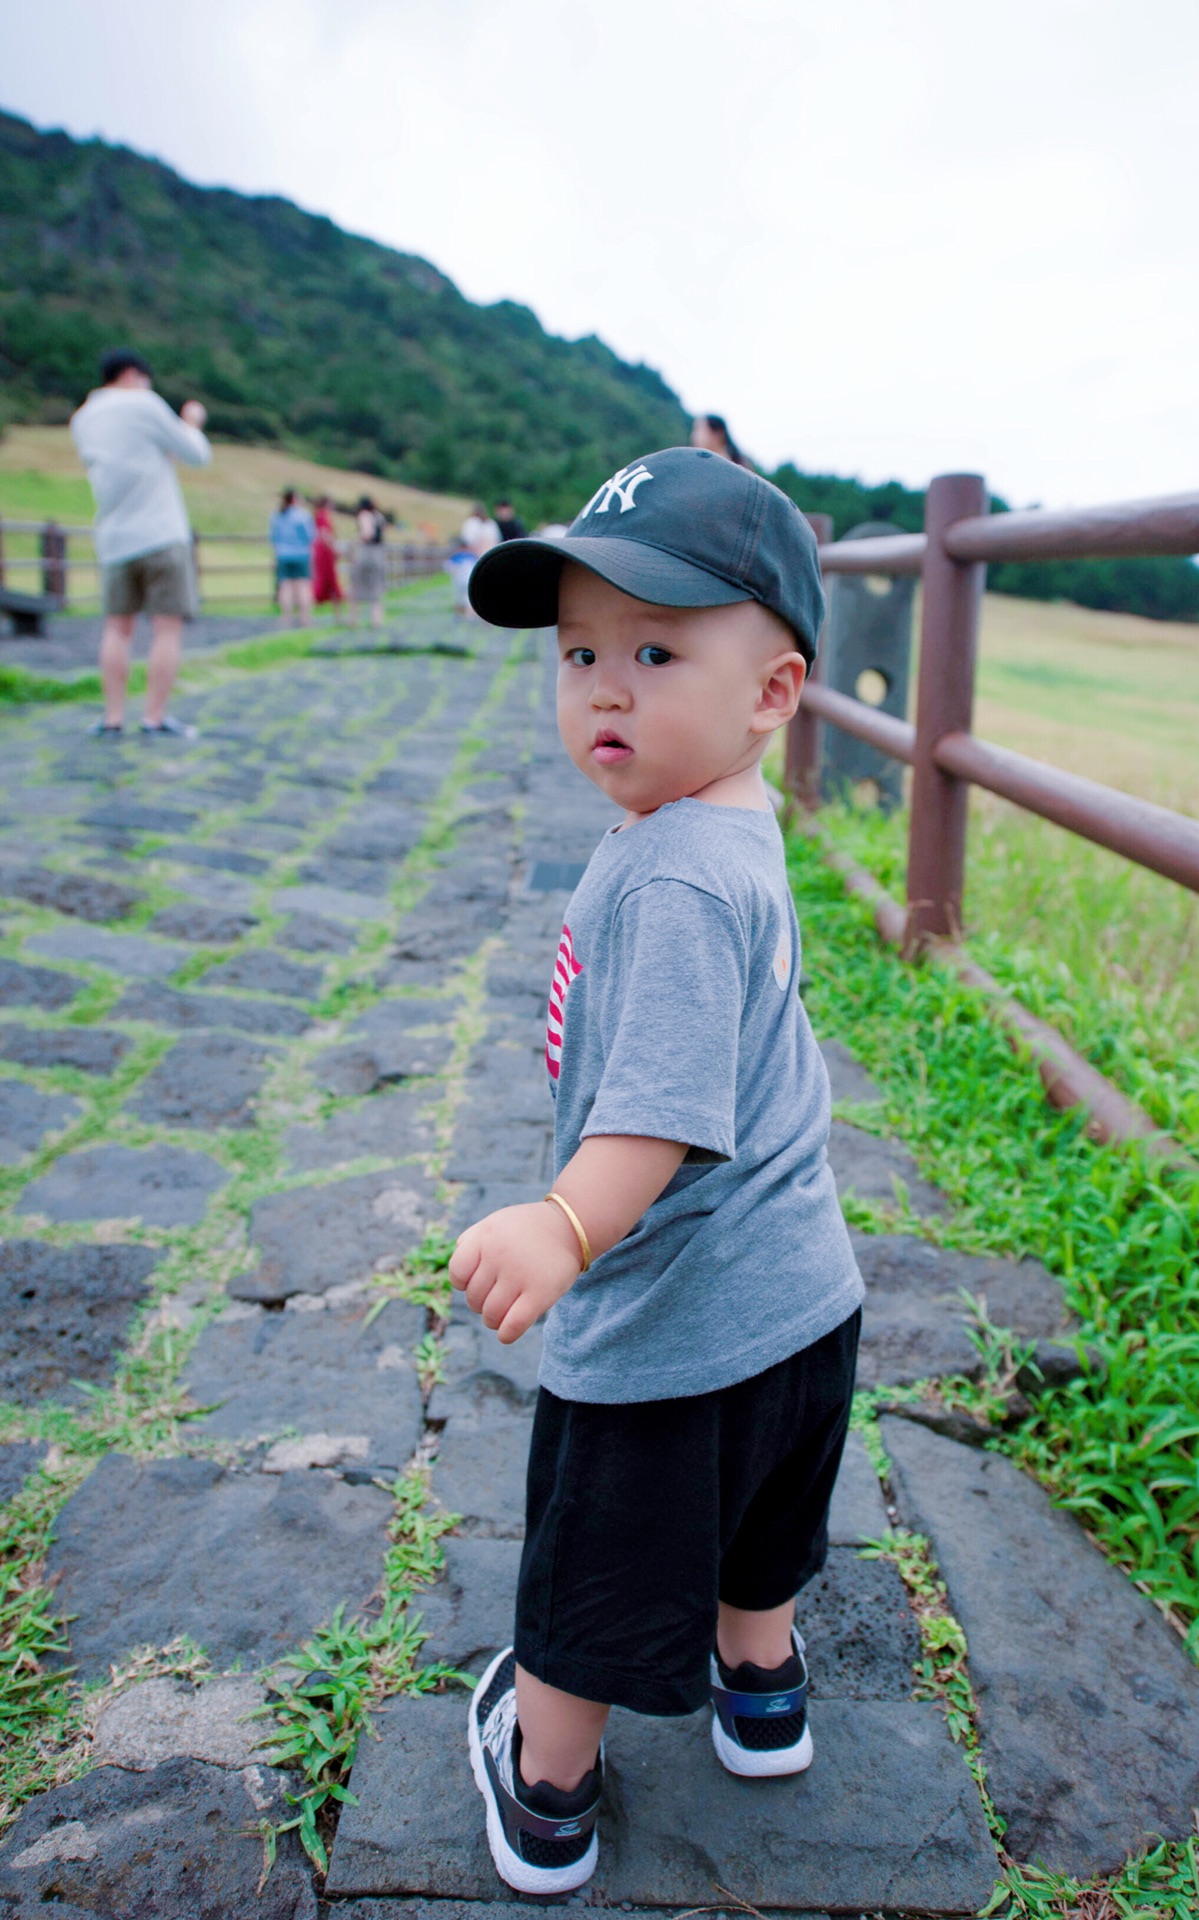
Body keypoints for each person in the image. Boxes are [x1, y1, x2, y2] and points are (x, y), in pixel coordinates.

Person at [454, 446, 864, 1895]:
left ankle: (548, 1785)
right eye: (576, 652)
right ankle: (761, 1697)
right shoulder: (731, 827)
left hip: (674, 1339)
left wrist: (568, 1220)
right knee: (759, 1544)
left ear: (770, 692)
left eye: (652, 648)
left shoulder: (671, 872)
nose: (604, 688)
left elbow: (665, 1105)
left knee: (587, 1588)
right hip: (803, 1305)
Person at [70, 347, 211, 738]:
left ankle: (113, 717)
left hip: (114, 538)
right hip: (160, 533)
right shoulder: (143, 405)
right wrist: (192, 423)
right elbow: (195, 453)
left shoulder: (82, 419)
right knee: (166, 628)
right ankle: (154, 717)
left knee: (117, 628)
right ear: (132, 375)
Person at [269, 488, 315, 626]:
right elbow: (310, 536)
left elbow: (274, 538)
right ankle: (305, 619)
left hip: (283, 555)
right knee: (302, 586)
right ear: (295, 499)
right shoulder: (303, 516)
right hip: (301, 555)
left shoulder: (277, 516)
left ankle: (286, 619)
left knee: (285, 587)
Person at [350, 495, 387, 628]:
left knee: (356, 586)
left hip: (365, 553)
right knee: (376, 586)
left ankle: (354, 620)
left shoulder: (364, 515)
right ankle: (376, 620)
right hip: (378, 553)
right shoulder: (379, 516)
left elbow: (367, 534)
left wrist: (356, 541)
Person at [311, 495, 346, 615]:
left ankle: (337, 615)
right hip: (325, 553)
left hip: (324, 552)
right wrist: (334, 549)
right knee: (328, 581)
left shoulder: (320, 515)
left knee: (328, 582)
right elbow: (324, 535)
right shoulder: (322, 515)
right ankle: (336, 614)